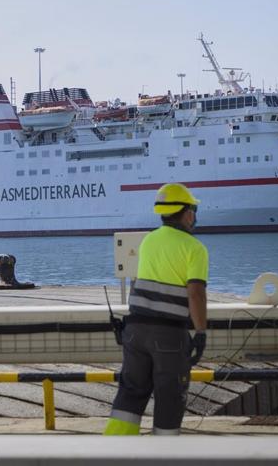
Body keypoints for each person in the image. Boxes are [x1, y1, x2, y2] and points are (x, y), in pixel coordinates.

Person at [103, 182, 208, 436]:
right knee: (170, 394)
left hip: (135, 330)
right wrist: (201, 332)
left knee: (131, 391)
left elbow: (142, 282)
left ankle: (114, 449)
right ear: (188, 213)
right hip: (169, 335)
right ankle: (165, 454)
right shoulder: (195, 248)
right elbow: (195, 294)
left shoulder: (149, 240)